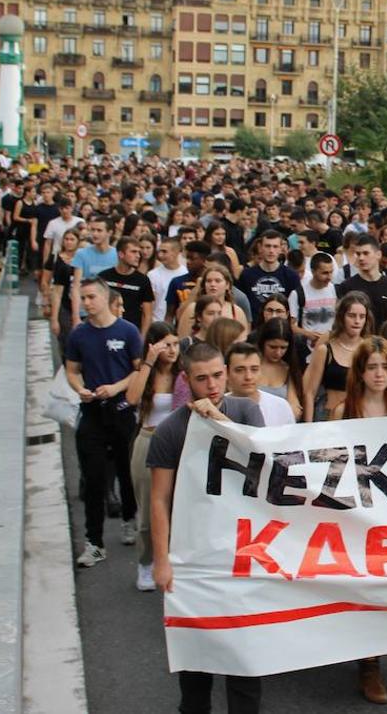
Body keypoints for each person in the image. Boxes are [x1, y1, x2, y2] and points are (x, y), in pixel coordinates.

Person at [148, 341, 264, 713]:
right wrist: (162, 560)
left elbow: (263, 461)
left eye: (218, 375)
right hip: (193, 553)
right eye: (202, 379)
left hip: (242, 550)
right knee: (196, 663)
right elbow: (159, 500)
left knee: (245, 661)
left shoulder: (246, 410)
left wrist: (220, 421)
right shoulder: (170, 430)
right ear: (186, 379)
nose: (212, 385)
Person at [64, 278, 143, 568]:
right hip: (92, 414)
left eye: (90, 297)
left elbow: (138, 371)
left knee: (126, 472)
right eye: (82, 298)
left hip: (121, 412)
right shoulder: (79, 334)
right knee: (94, 479)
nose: (86, 303)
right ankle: (94, 542)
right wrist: (79, 388)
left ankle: (128, 519)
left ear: (105, 298)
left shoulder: (127, 331)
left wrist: (116, 387)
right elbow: (71, 370)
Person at [124, 321, 180, 591]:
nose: (172, 350)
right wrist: (147, 362)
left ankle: (171, 558)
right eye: (166, 345)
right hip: (148, 441)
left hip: (178, 444)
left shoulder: (183, 374)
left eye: (176, 344)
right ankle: (145, 563)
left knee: (175, 507)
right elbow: (132, 398)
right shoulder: (146, 373)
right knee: (148, 507)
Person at [302, 292, 374, 421]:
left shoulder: (369, 350)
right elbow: (310, 392)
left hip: (359, 416)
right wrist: (308, 427)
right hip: (327, 414)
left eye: (362, 316)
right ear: (342, 317)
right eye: (352, 316)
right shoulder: (325, 350)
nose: (357, 321)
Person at [338, 236, 387, 331]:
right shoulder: (347, 286)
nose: (361, 258)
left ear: (378, 254)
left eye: (366, 253)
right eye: (358, 254)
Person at [236, 229, 301, 321]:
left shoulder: (291, 276)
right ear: (260, 247)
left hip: (281, 328)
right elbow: (240, 305)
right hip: (255, 329)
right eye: (267, 246)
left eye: (275, 246)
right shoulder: (246, 275)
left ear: (280, 249)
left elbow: (294, 308)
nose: (271, 250)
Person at [226, 342, 297, 426]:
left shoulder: (281, 406)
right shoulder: (218, 408)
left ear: (261, 371)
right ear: (227, 372)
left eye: (254, 369)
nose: (248, 377)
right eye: (240, 370)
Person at [69, 216, 119, 330]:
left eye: (99, 230)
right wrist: (76, 317)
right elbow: (76, 286)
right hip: (86, 312)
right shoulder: (81, 254)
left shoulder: (117, 255)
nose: (95, 234)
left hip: (110, 312)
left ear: (109, 233)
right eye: (93, 230)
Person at [174, 264, 249, 338]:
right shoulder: (193, 308)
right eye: (208, 281)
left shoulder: (236, 311)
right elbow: (182, 340)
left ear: (227, 285)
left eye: (217, 281)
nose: (212, 284)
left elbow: (243, 340)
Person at [98, 235, 155, 333]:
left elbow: (147, 314)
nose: (138, 256)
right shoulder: (104, 277)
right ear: (121, 254)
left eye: (138, 252)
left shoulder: (143, 280)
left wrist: (141, 339)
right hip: (105, 330)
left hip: (131, 332)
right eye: (133, 252)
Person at [254, 317, 304, 419]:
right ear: (263, 342)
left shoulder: (288, 369)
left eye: (283, 348)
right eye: (272, 347)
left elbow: (295, 409)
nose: (278, 353)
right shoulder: (251, 364)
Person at [291, 252, 339, 353]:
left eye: (331, 272)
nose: (329, 277)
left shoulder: (334, 290)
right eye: (324, 273)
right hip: (306, 349)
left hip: (331, 347)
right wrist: (308, 334)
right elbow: (290, 326)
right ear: (313, 271)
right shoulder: (298, 294)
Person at [49, 225, 84, 349]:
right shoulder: (59, 259)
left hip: (83, 305)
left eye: (72, 239)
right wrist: (54, 318)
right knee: (67, 340)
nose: (69, 242)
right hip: (65, 304)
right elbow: (57, 290)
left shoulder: (83, 258)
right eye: (66, 239)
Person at [164, 239, 210, 319]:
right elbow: (169, 315)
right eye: (187, 258)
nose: (188, 262)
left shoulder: (213, 283)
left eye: (192, 259)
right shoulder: (177, 282)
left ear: (204, 260)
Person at [148, 238, 187, 324]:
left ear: (176, 253)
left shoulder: (186, 273)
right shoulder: (152, 275)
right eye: (160, 251)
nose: (160, 255)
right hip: (157, 323)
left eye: (165, 252)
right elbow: (150, 304)